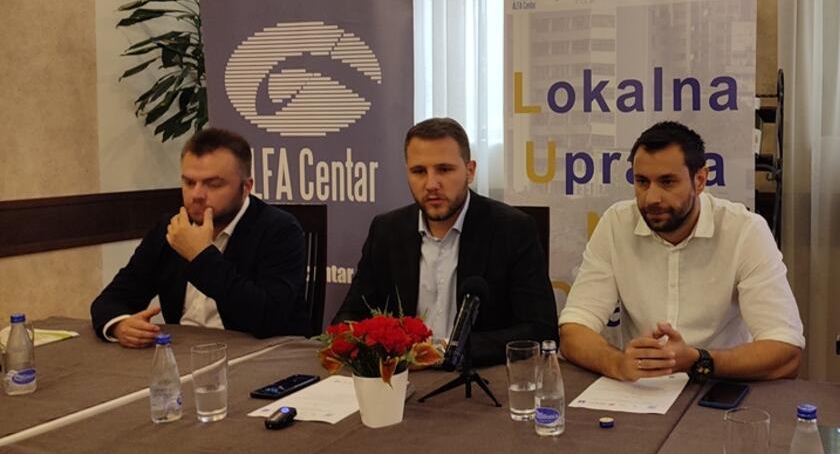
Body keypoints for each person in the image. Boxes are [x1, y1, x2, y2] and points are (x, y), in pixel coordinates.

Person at [558, 121, 804, 382]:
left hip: (719, 384)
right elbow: (574, 330)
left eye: (667, 182)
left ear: (700, 180)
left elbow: (786, 351)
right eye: (642, 182)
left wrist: (699, 361)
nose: (651, 198)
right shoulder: (616, 223)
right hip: (640, 390)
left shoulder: (745, 231)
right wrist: (617, 363)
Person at [333, 117, 556, 367]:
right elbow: (348, 316)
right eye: (419, 171)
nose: (431, 184)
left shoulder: (512, 229)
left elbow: (540, 330)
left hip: (478, 376)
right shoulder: (386, 230)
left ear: (470, 171)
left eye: (444, 170)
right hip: (401, 377)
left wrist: (450, 350)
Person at [92, 127, 308, 346]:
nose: (196, 195)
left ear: (246, 187)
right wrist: (120, 325)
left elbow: (268, 319)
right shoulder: (171, 228)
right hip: (183, 351)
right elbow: (111, 299)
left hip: (258, 354)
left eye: (213, 184)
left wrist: (200, 256)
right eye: (189, 182)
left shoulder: (279, 230)